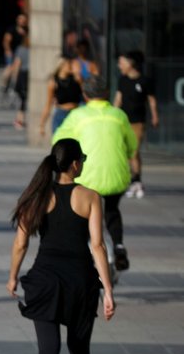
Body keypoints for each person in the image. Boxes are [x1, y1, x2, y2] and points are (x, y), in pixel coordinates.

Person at [7, 139, 116, 354]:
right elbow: (97, 245)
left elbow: (21, 242)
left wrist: (13, 276)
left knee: (48, 350)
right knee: (79, 348)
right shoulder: (91, 197)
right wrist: (107, 289)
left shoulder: (38, 196)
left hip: (44, 281)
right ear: (75, 165)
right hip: (80, 281)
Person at [53, 75, 137, 272]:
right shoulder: (119, 115)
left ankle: (89, 251)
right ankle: (118, 245)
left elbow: (57, 141)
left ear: (85, 94)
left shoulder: (77, 116)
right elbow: (132, 146)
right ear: (106, 94)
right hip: (116, 176)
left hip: (87, 177)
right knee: (112, 210)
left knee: (85, 215)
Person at [114, 50, 159, 198]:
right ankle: (135, 180)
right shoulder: (122, 80)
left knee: (133, 151)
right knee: (130, 153)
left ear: (131, 63)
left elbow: (151, 100)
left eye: (122, 63)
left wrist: (155, 116)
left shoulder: (145, 81)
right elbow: (118, 99)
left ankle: (136, 181)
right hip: (123, 122)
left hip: (138, 122)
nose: (119, 65)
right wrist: (113, 114)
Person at [37, 56, 82, 138]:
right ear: (62, 65)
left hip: (75, 115)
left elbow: (85, 95)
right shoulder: (53, 83)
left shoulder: (76, 79)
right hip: (61, 114)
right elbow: (48, 104)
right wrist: (42, 125)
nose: (71, 66)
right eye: (69, 64)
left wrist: (77, 74)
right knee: (60, 145)